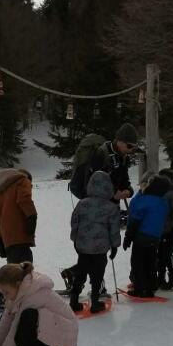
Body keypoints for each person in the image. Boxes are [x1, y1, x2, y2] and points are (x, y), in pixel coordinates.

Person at [62, 122, 138, 290]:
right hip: (94, 207)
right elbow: (93, 183)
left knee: (100, 248)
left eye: (133, 147)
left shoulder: (122, 157)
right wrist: (112, 194)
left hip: (110, 207)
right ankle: (91, 283)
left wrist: (128, 191)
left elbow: (124, 180)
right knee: (96, 249)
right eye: (129, 145)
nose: (131, 149)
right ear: (119, 140)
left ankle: (78, 276)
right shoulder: (101, 154)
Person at [69, 171, 121, 314]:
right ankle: (95, 301)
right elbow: (114, 228)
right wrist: (115, 245)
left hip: (83, 247)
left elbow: (74, 222)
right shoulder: (111, 207)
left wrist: (75, 239)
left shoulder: (82, 204)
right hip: (100, 249)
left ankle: (74, 300)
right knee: (97, 274)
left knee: (81, 272)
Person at [123, 174, 170, 298]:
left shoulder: (145, 200)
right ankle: (150, 287)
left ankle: (140, 288)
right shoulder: (163, 202)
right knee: (150, 261)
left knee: (138, 262)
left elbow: (135, 219)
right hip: (155, 237)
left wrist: (128, 237)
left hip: (142, 236)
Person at [0, 167, 37, 265]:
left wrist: (0, 241)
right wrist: (32, 216)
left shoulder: (0, 191)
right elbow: (24, 200)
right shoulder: (22, 180)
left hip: (8, 240)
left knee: (13, 270)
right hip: (20, 236)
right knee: (25, 270)